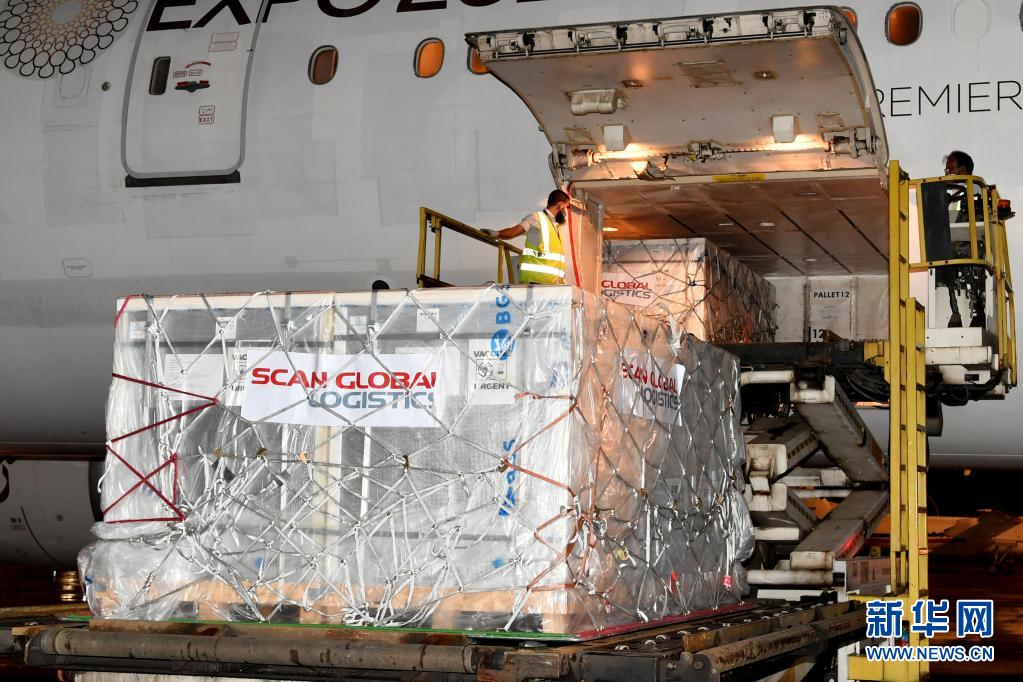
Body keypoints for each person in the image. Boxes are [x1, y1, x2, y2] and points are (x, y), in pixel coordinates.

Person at [483, 190, 571, 285]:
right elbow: (514, 231)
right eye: (566, 207)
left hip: (553, 283)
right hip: (537, 281)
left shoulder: (555, 225)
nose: (565, 212)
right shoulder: (536, 218)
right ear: (560, 205)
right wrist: (497, 233)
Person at [941, 151, 985, 328]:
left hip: (970, 242)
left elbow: (976, 219)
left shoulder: (976, 189)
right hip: (950, 242)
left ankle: (978, 311)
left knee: (967, 257)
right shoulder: (946, 192)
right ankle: (955, 312)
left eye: (950, 169)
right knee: (942, 259)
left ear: (962, 169)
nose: (946, 173)